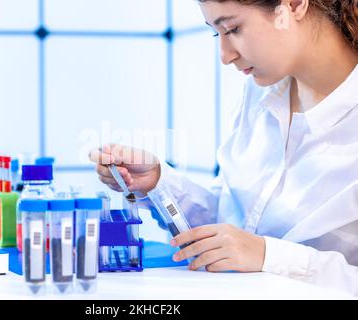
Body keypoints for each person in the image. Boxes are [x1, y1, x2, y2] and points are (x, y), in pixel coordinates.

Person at [89, 0, 358, 296]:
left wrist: (269, 256)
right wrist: (157, 183)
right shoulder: (260, 93)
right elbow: (234, 226)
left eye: (233, 29)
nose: (226, 56)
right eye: (218, 34)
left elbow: (256, 250)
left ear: (294, 5)